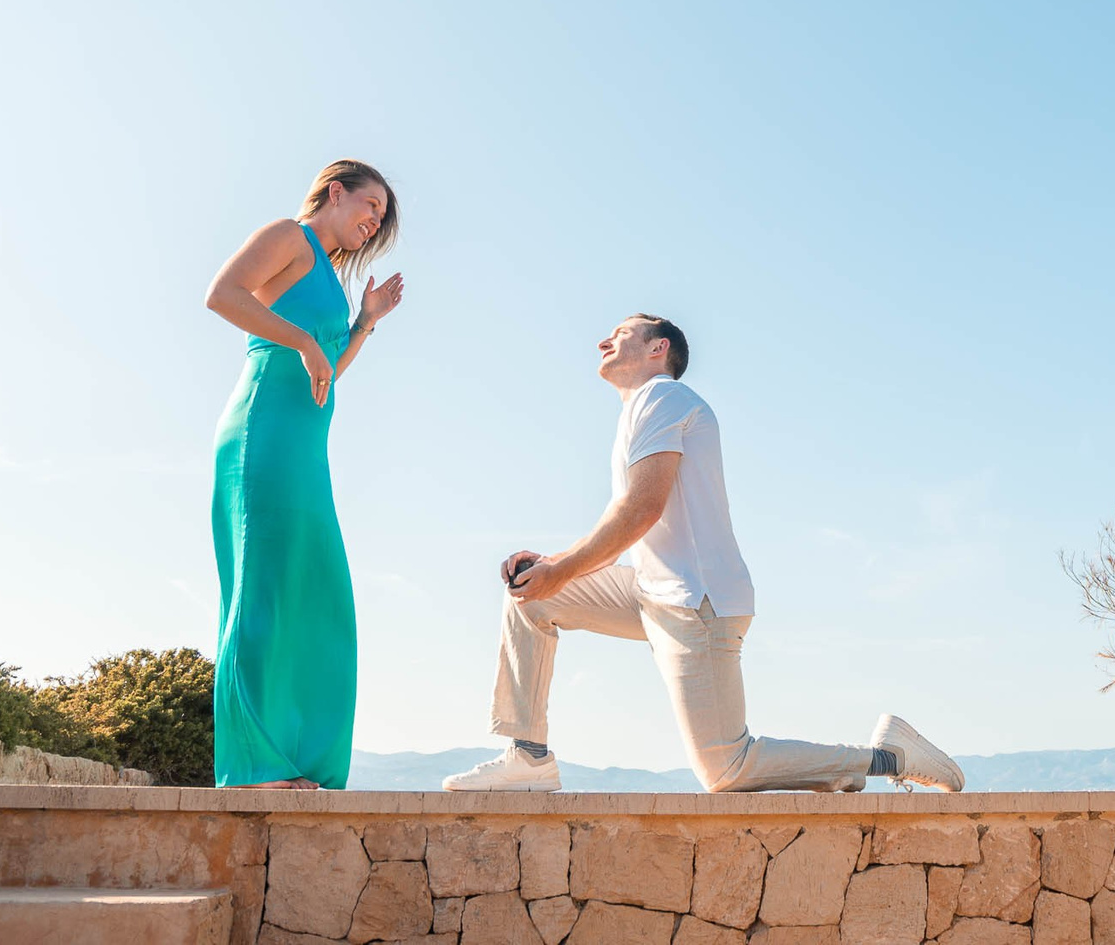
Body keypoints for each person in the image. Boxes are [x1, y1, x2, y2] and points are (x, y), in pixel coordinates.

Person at [444, 314, 961, 793]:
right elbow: (628, 520)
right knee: (532, 597)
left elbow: (641, 509)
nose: (604, 341)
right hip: (651, 590)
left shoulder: (664, 397)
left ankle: (885, 756)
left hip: (699, 605)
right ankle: (529, 757)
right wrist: (550, 567)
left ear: (657, 348)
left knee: (724, 768)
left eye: (622, 332)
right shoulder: (640, 410)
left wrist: (561, 568)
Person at [205, 160, 405, 789]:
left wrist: (364, 322)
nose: (372, 223)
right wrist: (304, 341)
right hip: (261, 431)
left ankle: (300, 762)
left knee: (317, 595)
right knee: (262, 591)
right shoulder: (288, 237)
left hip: (304, 443)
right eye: (369, 207)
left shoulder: (331, 278)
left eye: (379, 221)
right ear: (335, 191)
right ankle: (253, 767)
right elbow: (223, 295)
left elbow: (326, 376)